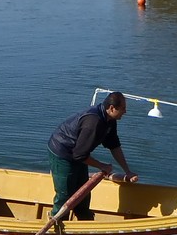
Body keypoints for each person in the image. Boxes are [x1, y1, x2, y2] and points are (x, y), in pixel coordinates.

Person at [47, 92, 138, 220]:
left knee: (83, 192)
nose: (125, 112)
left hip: (79, 154)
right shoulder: (93, 122)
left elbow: (114, 146)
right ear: (112, 108)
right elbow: (79, 155)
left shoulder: (110, 120)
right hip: (63, 153)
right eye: (123, 108)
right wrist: (102, 165)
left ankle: (85, 220)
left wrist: (127, 171)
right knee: (65, 194)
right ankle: (58, 223)